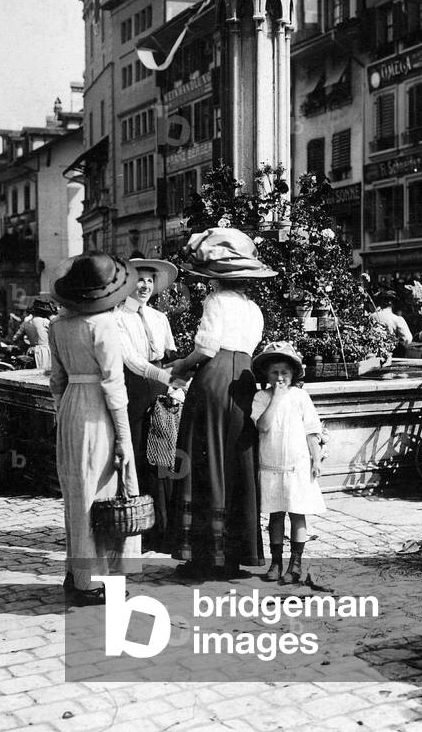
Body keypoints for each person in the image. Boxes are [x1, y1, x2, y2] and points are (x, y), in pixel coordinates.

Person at [169, 227, 276, 578]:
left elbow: (206, 348)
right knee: (236, 462)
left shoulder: (215, 301)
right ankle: (234, 552)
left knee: (205, 458)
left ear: (214, 277)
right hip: (243, 381)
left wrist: (181, 366)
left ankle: (204, 556)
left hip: (214, 380)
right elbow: (252, 348)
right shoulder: (254, 309)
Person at [49, 252, 141, 605]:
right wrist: (122, 436)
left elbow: (56, 381)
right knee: (101, 494)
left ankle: (77, 572)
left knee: (76, 493)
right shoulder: (102, 325)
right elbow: (114, 385)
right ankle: (94, 581)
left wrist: (64, 414)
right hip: (98, 411)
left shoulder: (58, 326)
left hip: (72, 406)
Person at [115, 258, 186, 552]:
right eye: (139, 279)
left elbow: (170, 354)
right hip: (134, 388)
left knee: (166, 453)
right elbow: (132, 360)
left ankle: (167, 529)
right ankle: (140, 529)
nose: (144, 286)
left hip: (161, 386)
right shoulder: (117, 317)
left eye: (149, 281)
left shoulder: (160, 318)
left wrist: (178, 385)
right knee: (139, 454)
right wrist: (167, 377)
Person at [251, 341, 325, 584]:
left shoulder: (301, 397)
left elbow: (312, 430)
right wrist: (276, 397)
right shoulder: (262, 397)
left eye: (285, 372)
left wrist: (316, 458)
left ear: (293, 374)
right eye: (275, 372)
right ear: (267, 374)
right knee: (275, 515)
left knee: (297, 513)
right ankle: (275, 562)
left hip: (297, 466)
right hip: (272, 466)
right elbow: (262, 425)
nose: (280, 377)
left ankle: (295, 564)